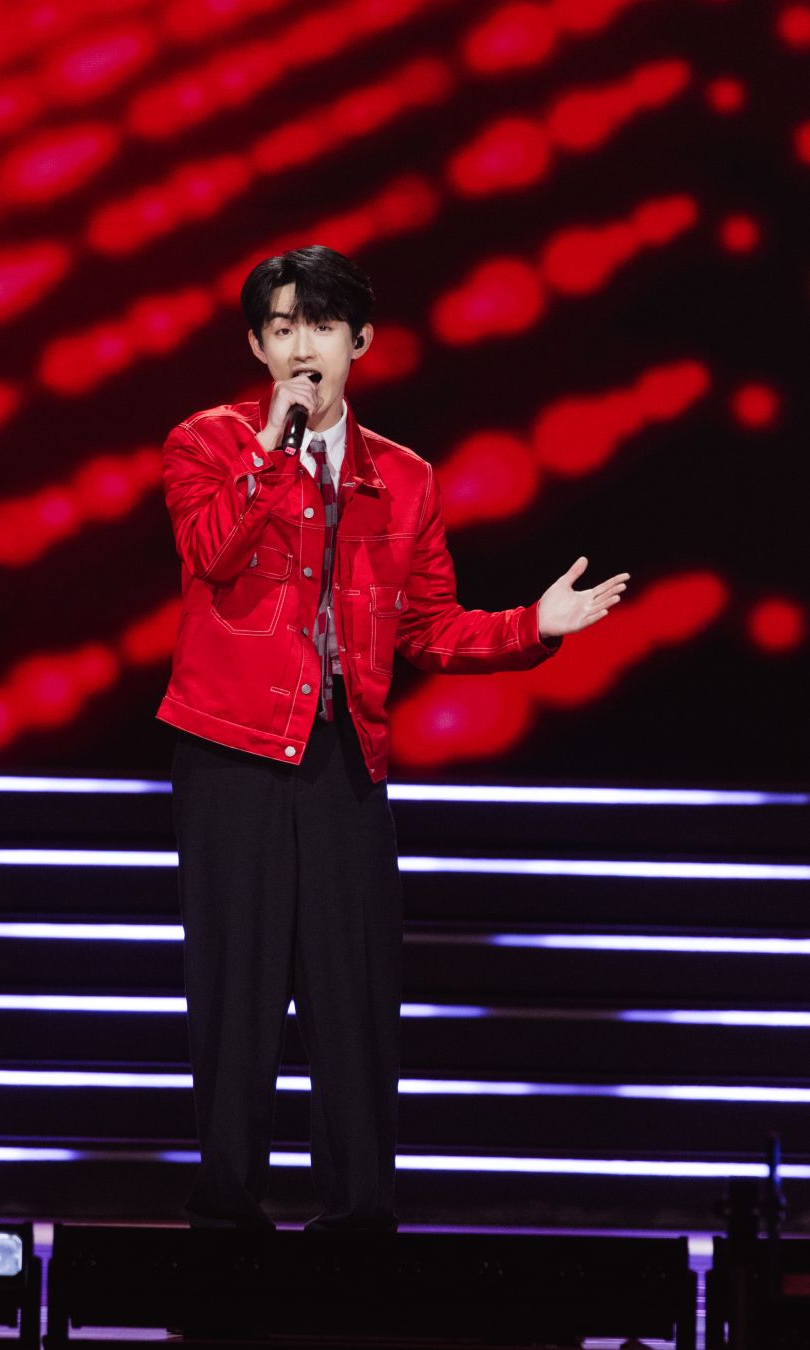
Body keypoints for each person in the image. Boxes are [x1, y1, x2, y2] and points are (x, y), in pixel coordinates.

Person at [156, 244, 630, 1232]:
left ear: (361, 342)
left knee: (353, 992)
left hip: (346, 755)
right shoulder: (207, 442)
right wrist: (271, 448)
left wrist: (532, 627)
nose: (302, 348)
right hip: (231, 749)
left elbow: (429, 629)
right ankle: (226, 1218)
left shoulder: (404, 479)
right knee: (238, 989)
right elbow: (211, 552)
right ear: (257, 346)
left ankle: (359, 1222)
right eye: (282, 328)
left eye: (322, 327)